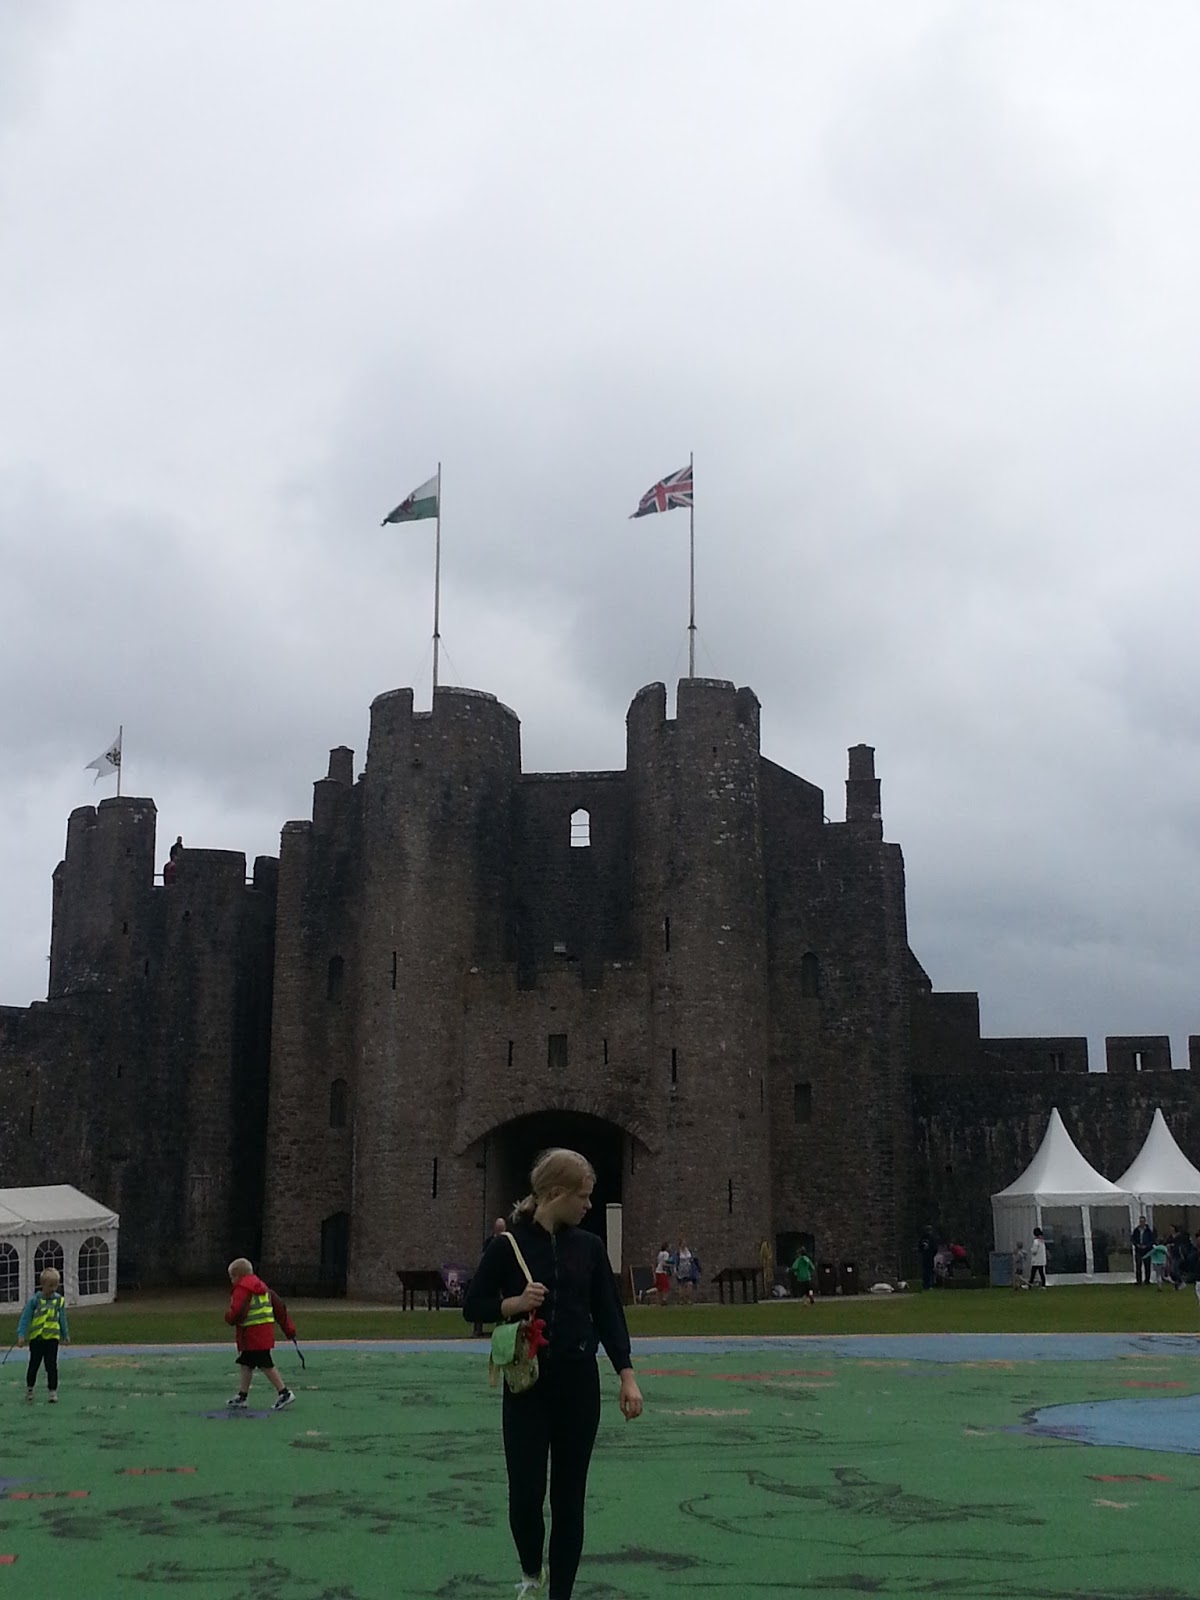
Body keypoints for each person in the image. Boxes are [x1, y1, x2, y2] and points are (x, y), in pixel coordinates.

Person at [462, 1148, 642, 1600]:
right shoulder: (508, 1246)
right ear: (556, 1193)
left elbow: (609, 1313)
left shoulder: (590, 1247)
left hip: (578, 1385)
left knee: (568, 1499)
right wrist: (514, 1304)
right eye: (583, 1196)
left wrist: (626, 1374)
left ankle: (561, 1593)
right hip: (528, 1386)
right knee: (525, 1496)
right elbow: (472, 1304)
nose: (588, 1205)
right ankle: (530, 1567)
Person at [224, 1257, 297, 1410]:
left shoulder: (242, 1288)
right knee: (246, 1363)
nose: (231, 1281)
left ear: (237, 1275)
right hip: (262, 1334)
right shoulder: (263, 1287)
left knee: (265, 1363)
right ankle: (242, 1396)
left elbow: (238, 1311)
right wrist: (289, 1330)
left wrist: (229, 1318)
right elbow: (280, 1308)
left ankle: (284, 1392)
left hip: (252, 1335)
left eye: (232, 1277)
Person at [17, 1267, 70, 1403]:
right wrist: (21, 1334)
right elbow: (25, 1318)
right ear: (43, 1285)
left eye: (55, 1285)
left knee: (51, 1365)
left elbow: (62, 1318)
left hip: (52, 1339)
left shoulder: (59, 1301)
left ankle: (52, 1390)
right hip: (37, 1339)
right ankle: (30, 1388)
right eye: (50, 1286)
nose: (53, 1289)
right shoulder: (34, 1300)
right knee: (34, 1364)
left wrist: (65, 1334)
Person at [473, 1217, 509, 1336]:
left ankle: (502, 1328)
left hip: (503, 1277)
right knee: (480, 1298)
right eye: (499, 1229)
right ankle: (477, 1329)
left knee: (504, 1301)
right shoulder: (489, 1243)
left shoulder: (509, 1242)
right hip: (489, 1277)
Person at [1131, 1216, 1155, 1286]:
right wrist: (1137, 1244)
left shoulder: (1148, 1231)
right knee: (1138, 1265)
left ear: (1145, 1222)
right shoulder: (1136, 1230)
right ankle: (1139, 1281)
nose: (1141, 1223)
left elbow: (1152, 1240)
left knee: (1147, 1265)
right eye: (1140, 1221)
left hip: (1147, 1250)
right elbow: (1133, 1239)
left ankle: (1147, 1280)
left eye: (1143, 1221)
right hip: (1138, 1250)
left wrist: (1147, 1246)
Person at [674, 1236, 698, 1304]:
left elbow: (693, 1259)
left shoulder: (689, 1251)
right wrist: (675, 1270)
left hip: (689, 1270)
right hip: (681, 1270)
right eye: (683, 1243)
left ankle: (688, 1298)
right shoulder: (678, 1252)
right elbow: (676, 1261)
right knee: (681, 1285)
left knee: (690, 1284)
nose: (684, 1244)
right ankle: (682, 1299)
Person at [918, 1227, 936, 1291]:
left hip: (926, 1256)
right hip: (929, 1256)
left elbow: (920, 1246)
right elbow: (935, 1247)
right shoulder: (932, 1238)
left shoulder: (923, 1238)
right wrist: (933, 1254)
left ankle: (926, 1285)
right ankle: (929, 1285)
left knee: (926, 1271)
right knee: (929, 1271)